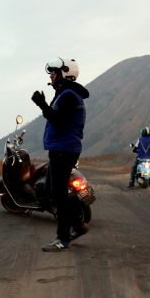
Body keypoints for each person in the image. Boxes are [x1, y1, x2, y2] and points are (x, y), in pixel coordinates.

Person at [31, 57, 90, 252]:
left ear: (64, 74)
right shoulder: (65, 94)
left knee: (59, 195)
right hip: (60, 149)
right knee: (51, 190)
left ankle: (62, 238)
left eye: (54, 72)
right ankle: (78, 225)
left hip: (64, 150)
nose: (51, 75)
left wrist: (41, 104)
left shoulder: (69, 96)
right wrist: (45, 104)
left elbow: (58, 120)